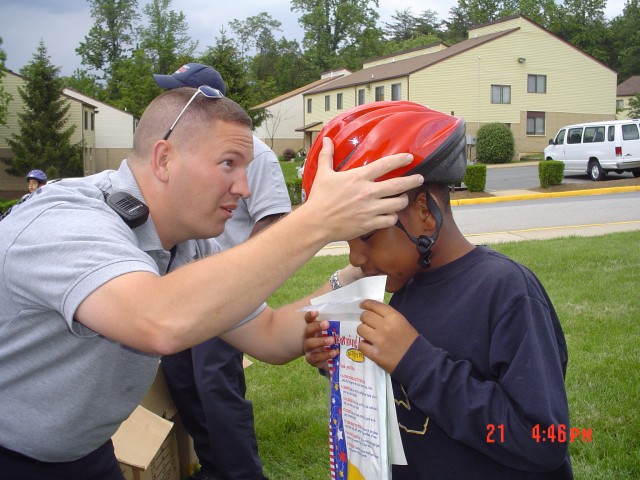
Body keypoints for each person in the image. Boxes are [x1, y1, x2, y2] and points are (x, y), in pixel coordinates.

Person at [0, 88, 424, 479]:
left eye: (246, 169)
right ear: (164, 159)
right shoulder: (66, 221)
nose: (242, 188)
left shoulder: (187, 246)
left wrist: (356, 273)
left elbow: (272, 336)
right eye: (228, 164)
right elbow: (158, 321)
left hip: (83, 454)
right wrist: (317, 220)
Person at [302, 101, 573, 479]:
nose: (355, 257)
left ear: (424, 213)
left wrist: (417, 360)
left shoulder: (506, 292)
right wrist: (343, 359)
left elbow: (544, 441)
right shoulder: (405, 289)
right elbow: (405, 400)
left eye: (365, 236)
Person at [153, 63, 291, 480]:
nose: (168, 102)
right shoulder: (183, 153)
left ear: (205, 101)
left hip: (224, 295)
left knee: (216, 386)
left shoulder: (255, 153)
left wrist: (239, 277)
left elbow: (273, 220)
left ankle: (242, 474)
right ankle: (214, 467)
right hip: (182, 287)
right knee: (184, 383)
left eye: (179, 94)